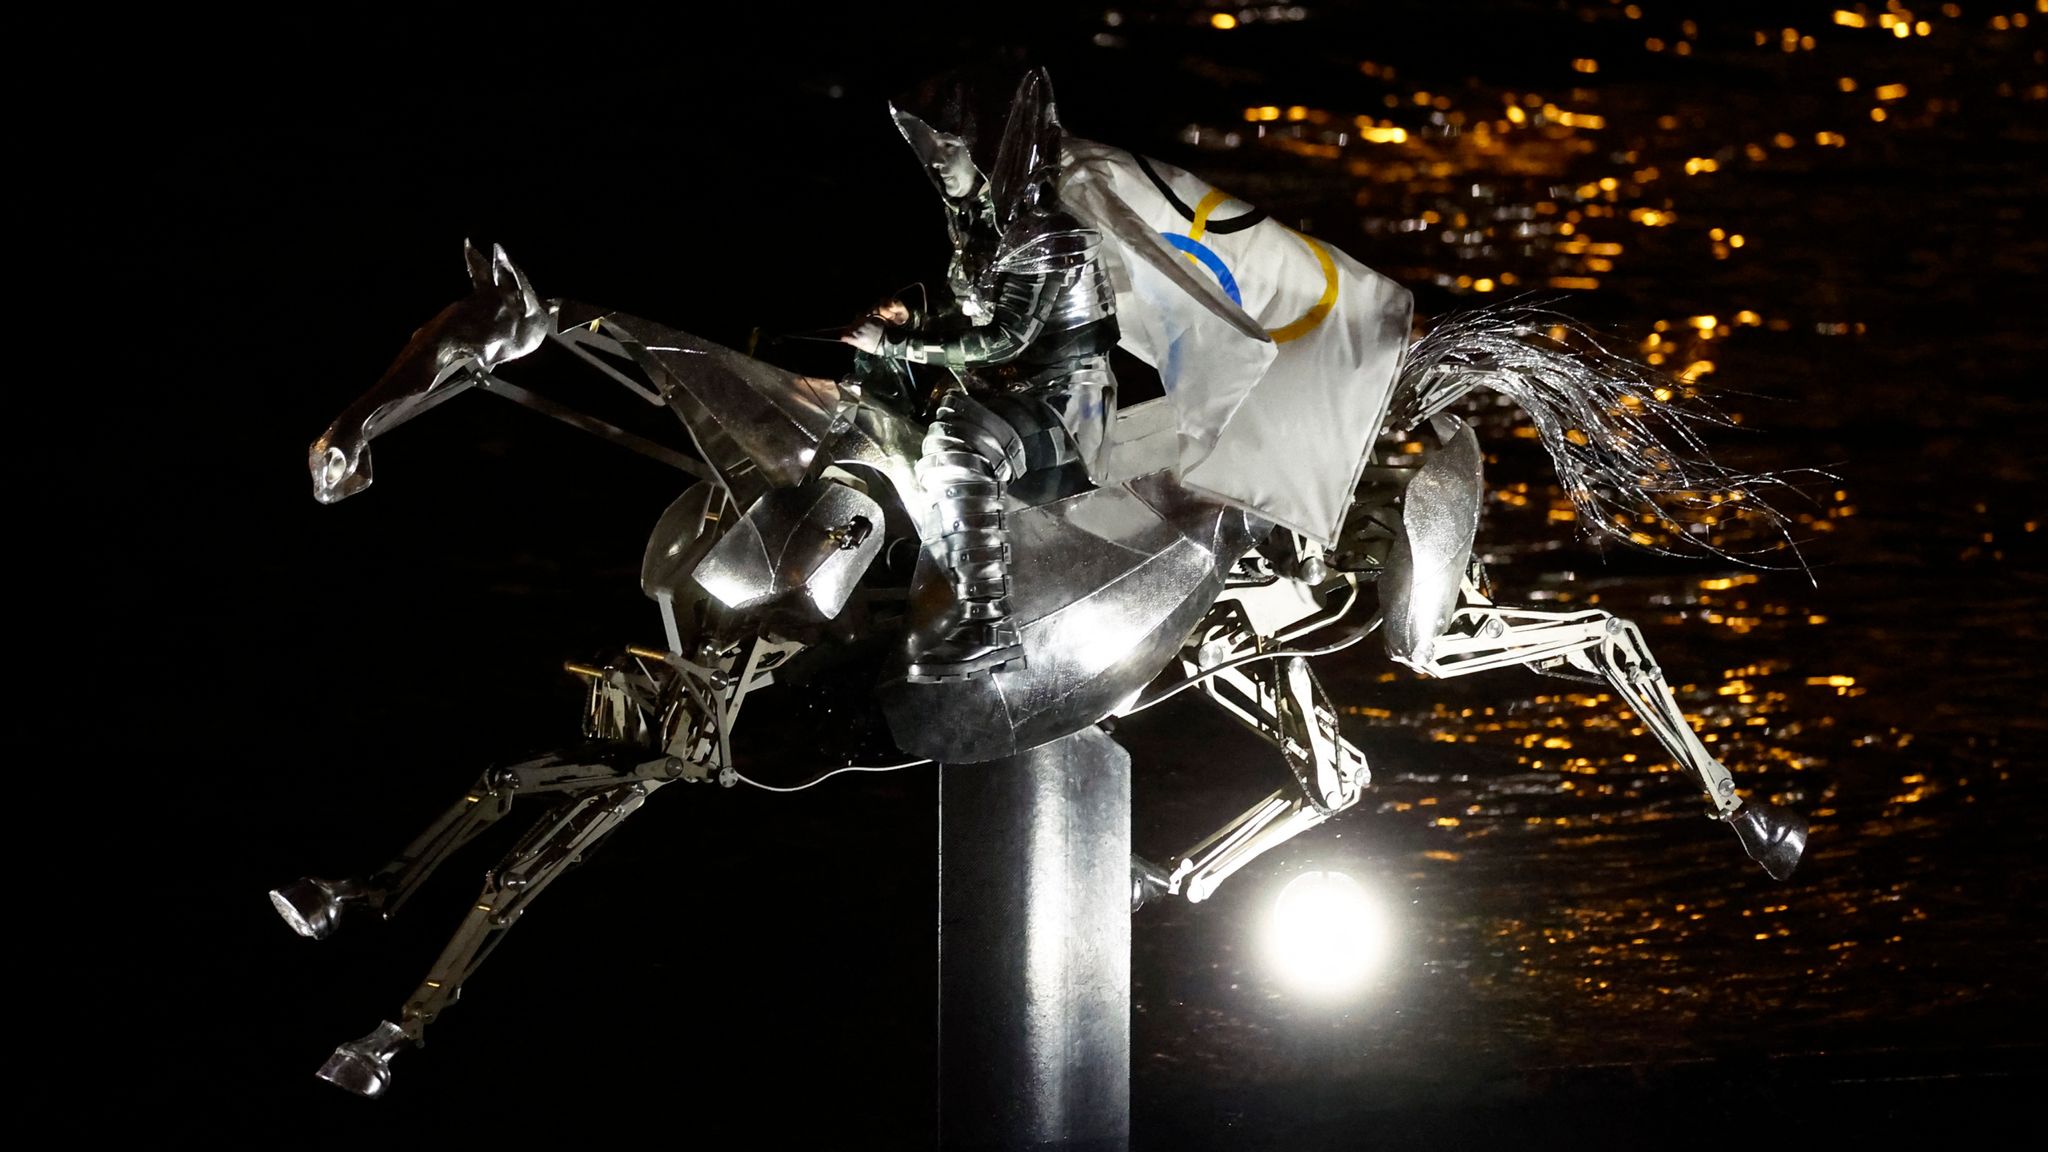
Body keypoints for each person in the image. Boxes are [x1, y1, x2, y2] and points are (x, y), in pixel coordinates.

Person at [843, 70, 1118, 682]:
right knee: (905, 421)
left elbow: (1005, 337)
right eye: (934, 150)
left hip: (1067, 400)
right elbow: (972, 306)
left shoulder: (1046, 234)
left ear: (992, 153)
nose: (938, 163)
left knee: (956, 444)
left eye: (952, 149)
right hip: (1016, 388)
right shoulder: (978, 227)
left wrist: (897, 342)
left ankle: (988, 623)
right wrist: (913, 315)